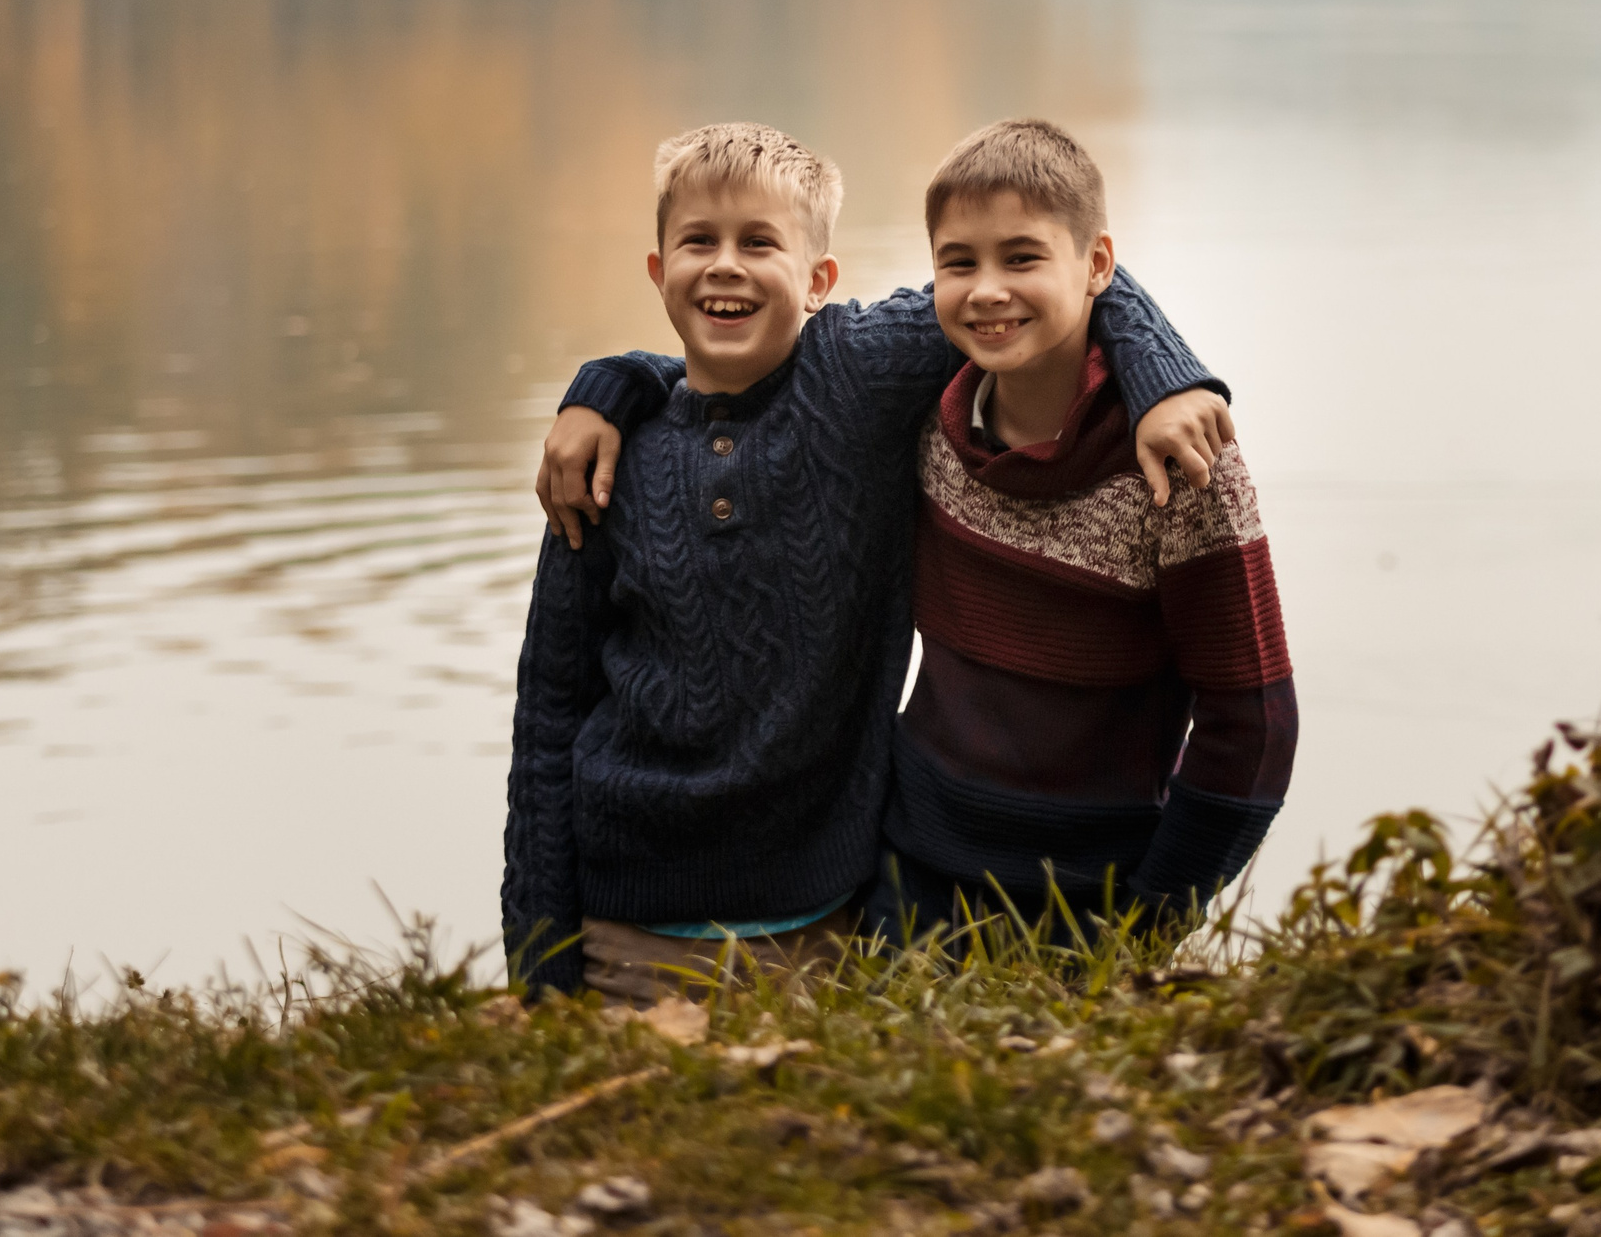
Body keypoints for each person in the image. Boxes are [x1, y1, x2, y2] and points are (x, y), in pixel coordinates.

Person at [503, 122, 1233, 1003]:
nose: (726, 264)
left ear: (818, 281)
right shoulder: (601, 464)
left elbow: (1046, 279)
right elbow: (547, 716)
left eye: (759, 242)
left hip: (831, 918)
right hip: (623, 926)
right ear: (659, 271)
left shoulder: (856, 373)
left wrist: (1168, 376)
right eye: (699, 241)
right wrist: (537, 962)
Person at [874, 118, 1295, 943]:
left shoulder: (1180, 464)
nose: (987, 289)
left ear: (1099, 264)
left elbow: (1255, 724)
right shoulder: (921, 411)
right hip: (907, 881)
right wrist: (612, 387)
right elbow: (766, 358)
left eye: (1022, 257)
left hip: (1088, 904)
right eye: (959, 262)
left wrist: (1151, 919)